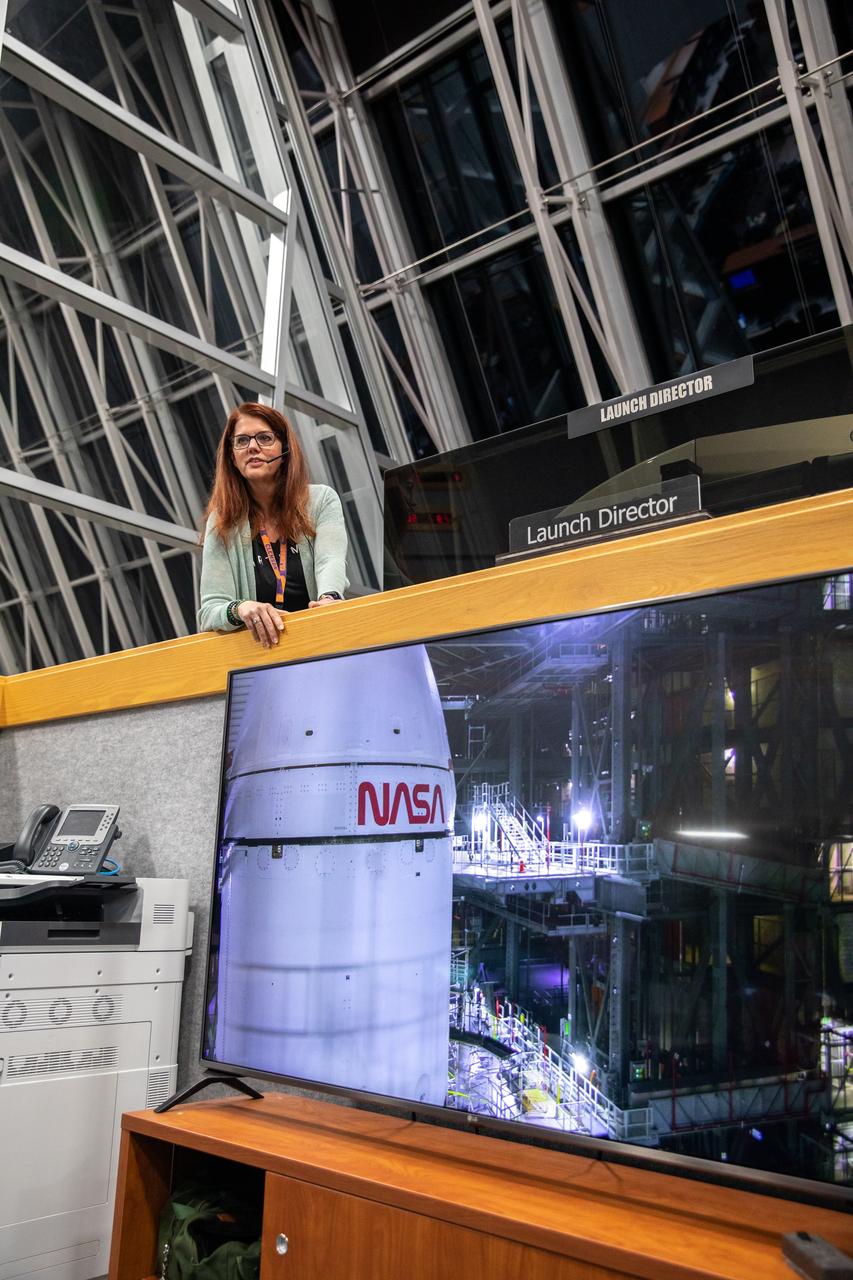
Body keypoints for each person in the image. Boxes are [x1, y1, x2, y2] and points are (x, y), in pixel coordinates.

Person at [197, 402, 348, 647]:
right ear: (232, 457)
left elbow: (329, 560)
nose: (253, 447)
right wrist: (241, 608)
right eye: (242, 441)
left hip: (324, 644)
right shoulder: (222, 521)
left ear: (285, 449)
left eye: (265, 438)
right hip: (263, 659)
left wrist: (329, 598)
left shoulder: (321, 500)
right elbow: (210, 610)